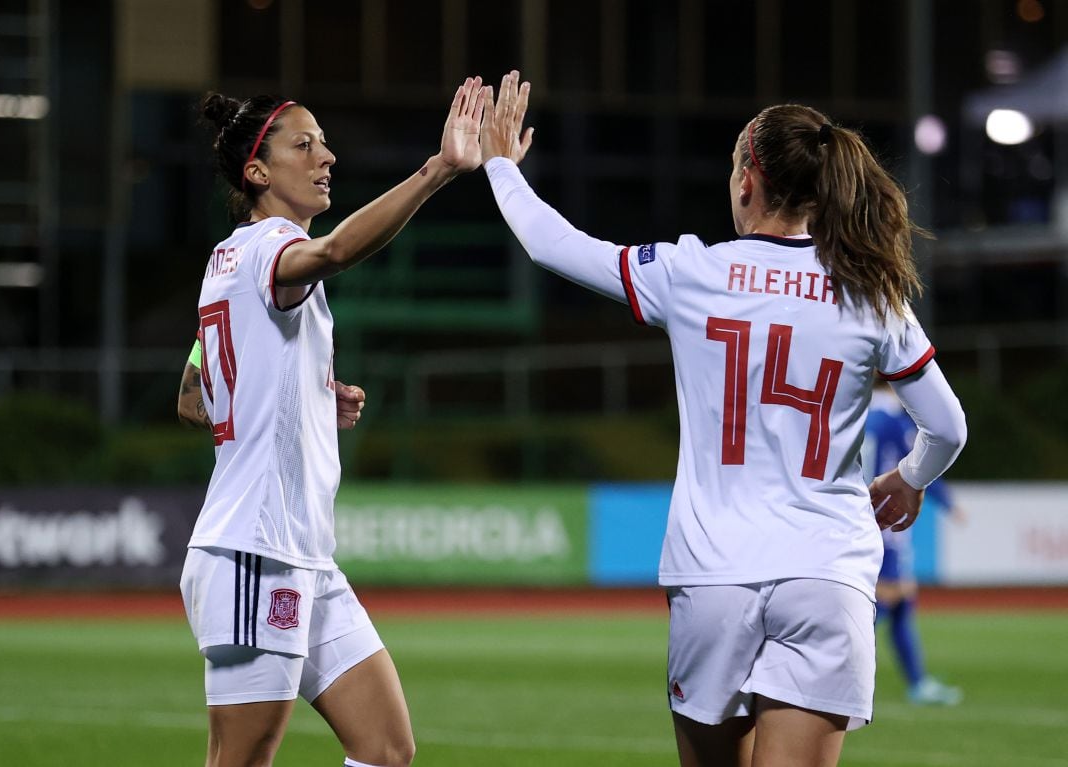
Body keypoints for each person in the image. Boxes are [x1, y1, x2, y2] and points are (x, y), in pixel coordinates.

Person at [479, 72, 967, 767]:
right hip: (827, 572)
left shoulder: (691, 271)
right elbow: (947, 426)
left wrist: (501, 165)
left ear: (748, 181)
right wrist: (910, 478)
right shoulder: (870, 290)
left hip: (714, 575)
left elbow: (552, 243)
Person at [180, 76, 486, 767]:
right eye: (305, 144)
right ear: (257, 171)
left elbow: (193, 394)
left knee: (384, 746)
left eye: (324, 142)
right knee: (241, 759)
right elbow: (338, 252)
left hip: (301, 554)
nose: (328, 157)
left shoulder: (227, 258)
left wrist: (305, 398)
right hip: (256, 549)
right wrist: (437, 170)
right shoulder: (271, 250)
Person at [863, 379, 964, 706]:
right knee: (886, 598)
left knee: (902, 598)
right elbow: (917, 467)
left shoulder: (856, 414)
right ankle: (829, 668)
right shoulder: (894, 420)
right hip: (885, 517)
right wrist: (948, 502)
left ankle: (918, 682)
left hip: (855, 512)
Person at [177, 338, 367, 432]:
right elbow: (189, 407)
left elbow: (188, 406)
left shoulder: (224, 290)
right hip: (259, 498)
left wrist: (310, 405)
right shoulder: (250, 289)